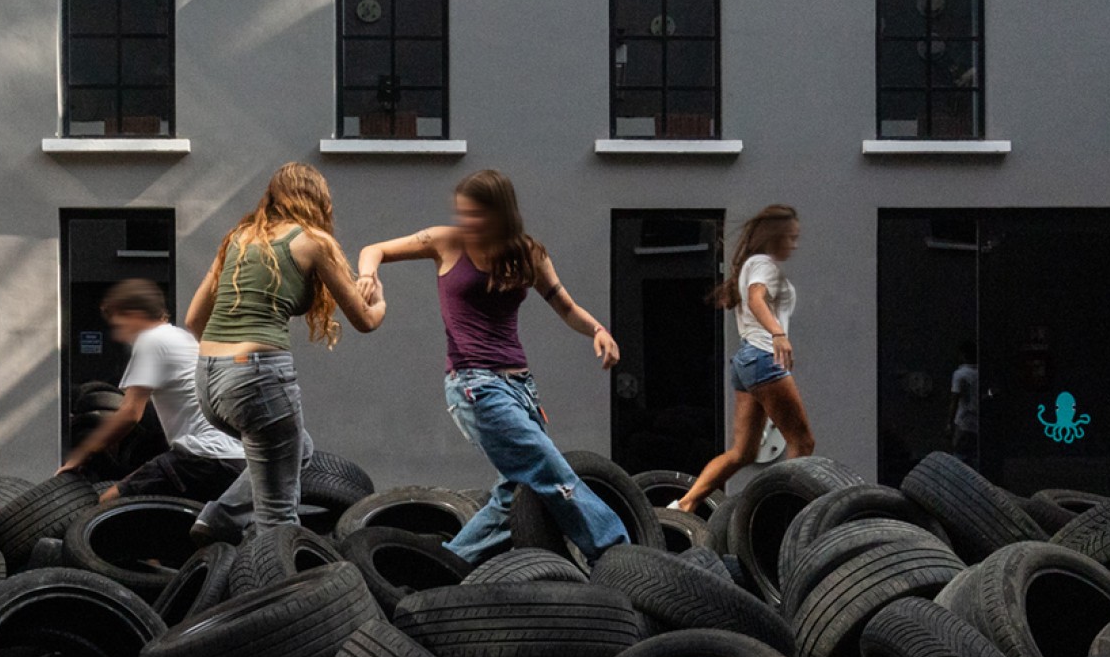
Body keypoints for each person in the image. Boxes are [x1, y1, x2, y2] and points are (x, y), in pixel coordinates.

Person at [356, 170, 630, 564]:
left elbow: (566, 307)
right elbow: (373, 249)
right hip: (474, 386)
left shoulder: (528, 254)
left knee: (514, 496)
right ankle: (618, 553)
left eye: (478, 216)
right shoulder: (445, 241)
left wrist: (597, 330)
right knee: (548, 468)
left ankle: (443, 567)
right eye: (463, 214)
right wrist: (368, 275)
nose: (468, 223)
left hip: (521, 388)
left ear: (502, 215)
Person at [186, 162, 387, 542]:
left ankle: (221, 517)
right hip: (257, 377)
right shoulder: (312, 240)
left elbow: (194, 320)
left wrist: (229, 362)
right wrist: (378, 299)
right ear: (318, 200)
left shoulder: (239, 238)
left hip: (209, 381)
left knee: (300, 448)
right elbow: (364, 320)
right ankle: (279, 594)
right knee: (279, 518)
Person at [673, 205, 815, 512]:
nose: (795, 244)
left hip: (745, 361)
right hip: (764, 357)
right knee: (802, 443)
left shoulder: (751, 264)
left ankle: (685, 503)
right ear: (773, 237)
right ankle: (785, 510)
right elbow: (755, 298)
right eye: (790, 237)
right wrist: (778, 333)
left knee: (743, 452)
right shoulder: (764, 264)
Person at [58, 280, 246, 504]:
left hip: (202, 455)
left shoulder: (151, 340)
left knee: (106, 505)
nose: (118, 335)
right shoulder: (181, 337)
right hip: (236, 458)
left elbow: (129, 414)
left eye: (118, 323)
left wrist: (81, 454)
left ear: (136, 314)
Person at [948, 340, 980, 469]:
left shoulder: (960, 374)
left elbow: (955, 399)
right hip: (977, 421)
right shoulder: (980, 373)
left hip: (964, 421)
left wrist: (949, 423)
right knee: (976, 455)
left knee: (960, 455)